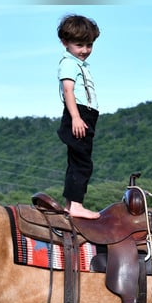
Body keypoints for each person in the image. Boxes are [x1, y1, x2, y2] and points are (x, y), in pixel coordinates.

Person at [56, 14, 101, 219]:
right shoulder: (68, 64)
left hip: (86, 115)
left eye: (89, 45)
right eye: (79, 45)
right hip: (79, 114)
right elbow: (68, 91)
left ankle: (70, 204)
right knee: (82, 163)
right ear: (65, 42)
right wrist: (75, 117)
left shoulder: (80, 65)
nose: (85, 50)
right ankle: (76, 205)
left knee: (77, 161)